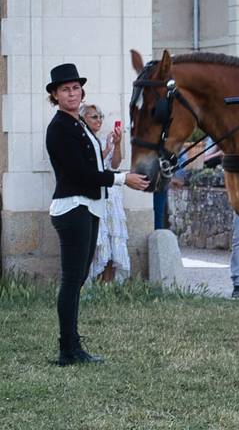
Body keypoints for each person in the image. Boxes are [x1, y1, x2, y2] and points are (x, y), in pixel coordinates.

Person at [45, 64, 150, 366]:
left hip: (89, 207)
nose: (72, 93)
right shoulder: (60, 128)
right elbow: (80, 173)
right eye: (65, 89)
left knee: (77, 280)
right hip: (72, 207)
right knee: (71, 280)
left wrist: (116, 165)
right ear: (55, 95)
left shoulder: (78, 124)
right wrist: (122, 178)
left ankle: (73, 345)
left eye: (76, 88)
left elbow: (96, 167)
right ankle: (67, 349)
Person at [81, 104, 131, 284]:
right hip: (94, 194)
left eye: (100, 116)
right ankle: (92, 281)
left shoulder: (104, 140)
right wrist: (108, 150)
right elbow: (91, 166)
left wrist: (116, 145)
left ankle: (108, 283)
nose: (99, 120)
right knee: (98, 239)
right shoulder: (82, 140)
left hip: (112, 195)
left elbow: (115, 165)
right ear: (83, 119)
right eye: (94, 117)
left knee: (112, 238)